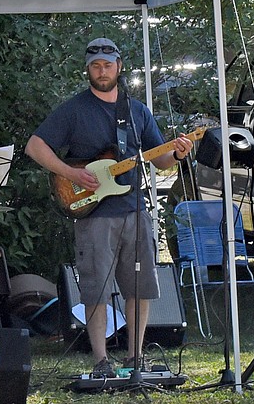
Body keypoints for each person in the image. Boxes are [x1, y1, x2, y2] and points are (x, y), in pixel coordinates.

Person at [25, 38, 192, 378]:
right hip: (93, 213)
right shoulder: (73, 109)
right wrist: (70, 172)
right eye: (95, 65)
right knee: (95, 287)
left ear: (119, 67)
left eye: (107, 65)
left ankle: (135, 355)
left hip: (134, 208)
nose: (102, 71)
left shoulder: (137, 110)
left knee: (140, 286)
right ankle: (101, 360)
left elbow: (158, 158)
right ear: (88, 69)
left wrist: (176, 153)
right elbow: (34, 146)